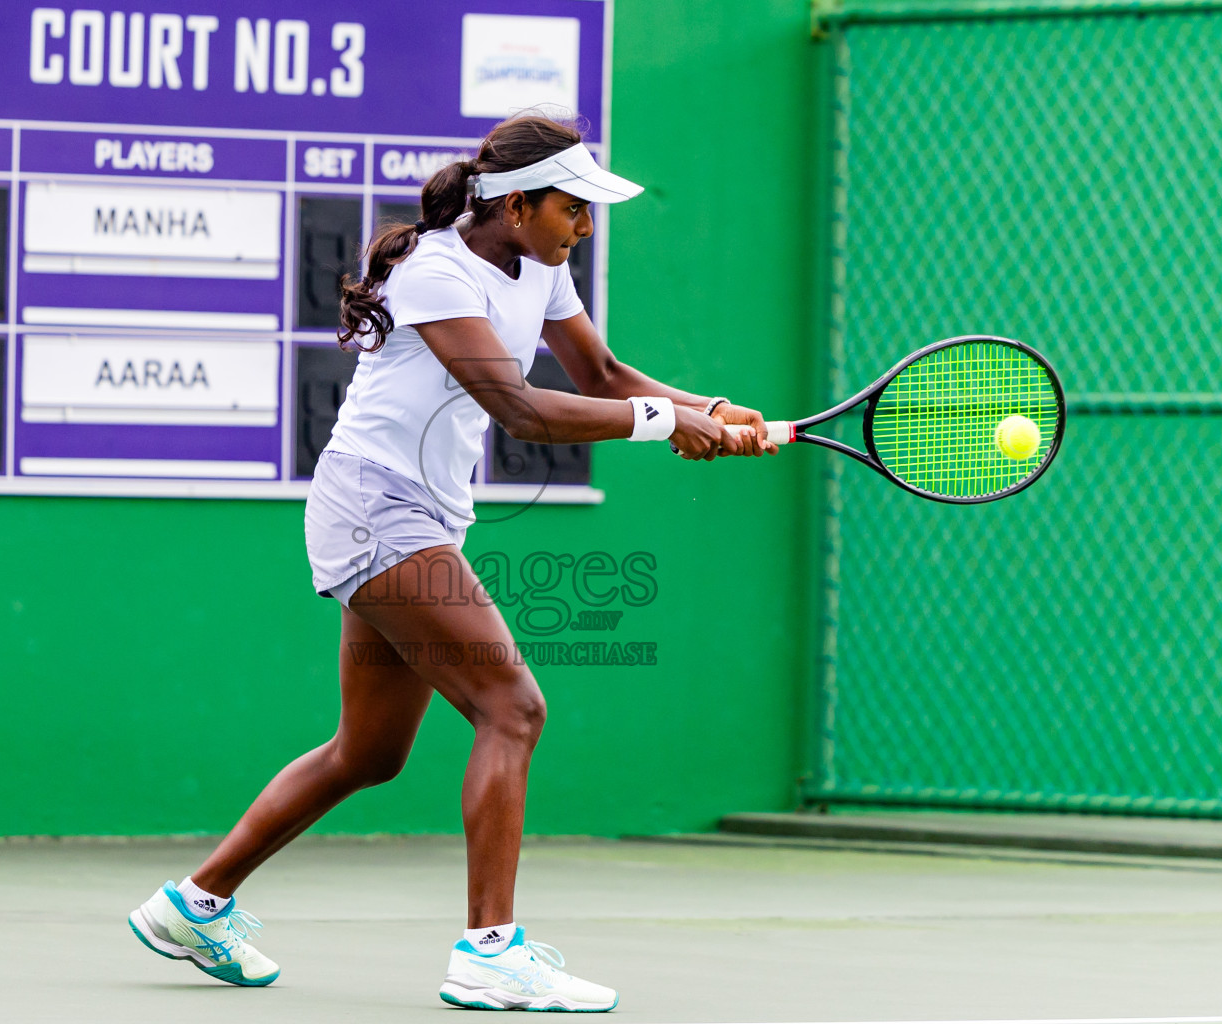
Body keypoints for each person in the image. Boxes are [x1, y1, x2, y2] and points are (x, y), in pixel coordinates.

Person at [128, 113, 777, 1012]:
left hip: (417, 515)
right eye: (571, 209)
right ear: (516, 204)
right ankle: (489, 951)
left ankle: (190, 906)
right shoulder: (435, 271)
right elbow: (519, 408)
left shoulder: (542, 265)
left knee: (369, 753)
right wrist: (668, 425)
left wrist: (710, 407)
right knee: (512, 708)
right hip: (375, 510)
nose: (583, 226)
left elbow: (600, 374)